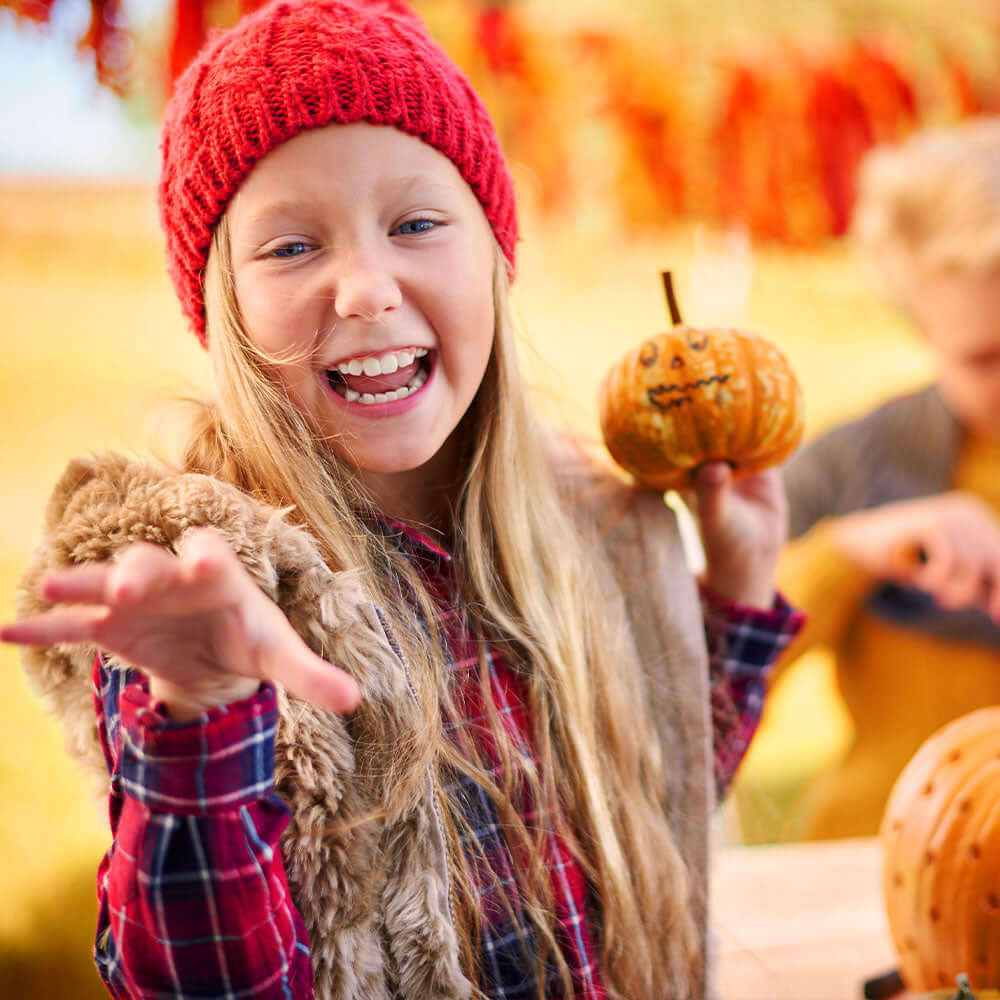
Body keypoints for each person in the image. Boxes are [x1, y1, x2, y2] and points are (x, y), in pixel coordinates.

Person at [1, 1, 802, 997]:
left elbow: (648, 802)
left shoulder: (578, 528)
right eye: (293, 247)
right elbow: (207, 981)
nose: (366, 288)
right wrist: (201, 717)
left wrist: (736, 588)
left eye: (416, 223)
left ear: (495, 254)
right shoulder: (215, 600)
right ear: (226, 309)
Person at [776, 117, 1000, 842]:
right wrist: (850, 553)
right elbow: (697, 686)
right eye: (985, 358)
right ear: (922, 330)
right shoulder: (854, 464)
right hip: (873, 852)